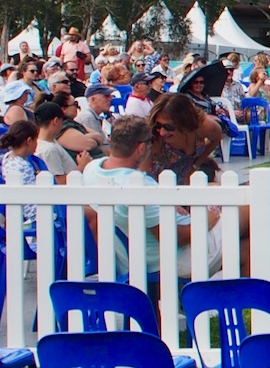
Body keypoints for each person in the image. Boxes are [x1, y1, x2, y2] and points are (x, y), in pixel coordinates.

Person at [89, 115, 250, 280]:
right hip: (176, 256)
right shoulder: (142, 189)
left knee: (246, 248)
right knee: (247, 207)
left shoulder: (93, 169)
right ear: (141, 148)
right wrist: (205, 222)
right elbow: (174, 238)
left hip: (143, 251)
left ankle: (222, 297)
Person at [142, 93, 225, 183]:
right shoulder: (152, 137)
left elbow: (216, 138)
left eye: (169, 127)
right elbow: (142, 176)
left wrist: (196, 164)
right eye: (158, 125)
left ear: (185, 121)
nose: (162, 132)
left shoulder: (204, 126)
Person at [0, 121, 39, 226]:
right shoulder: (22, 166)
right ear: (29, 141)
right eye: (36, 140)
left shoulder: (8, 158)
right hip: (29, 219)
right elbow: (29, 203)